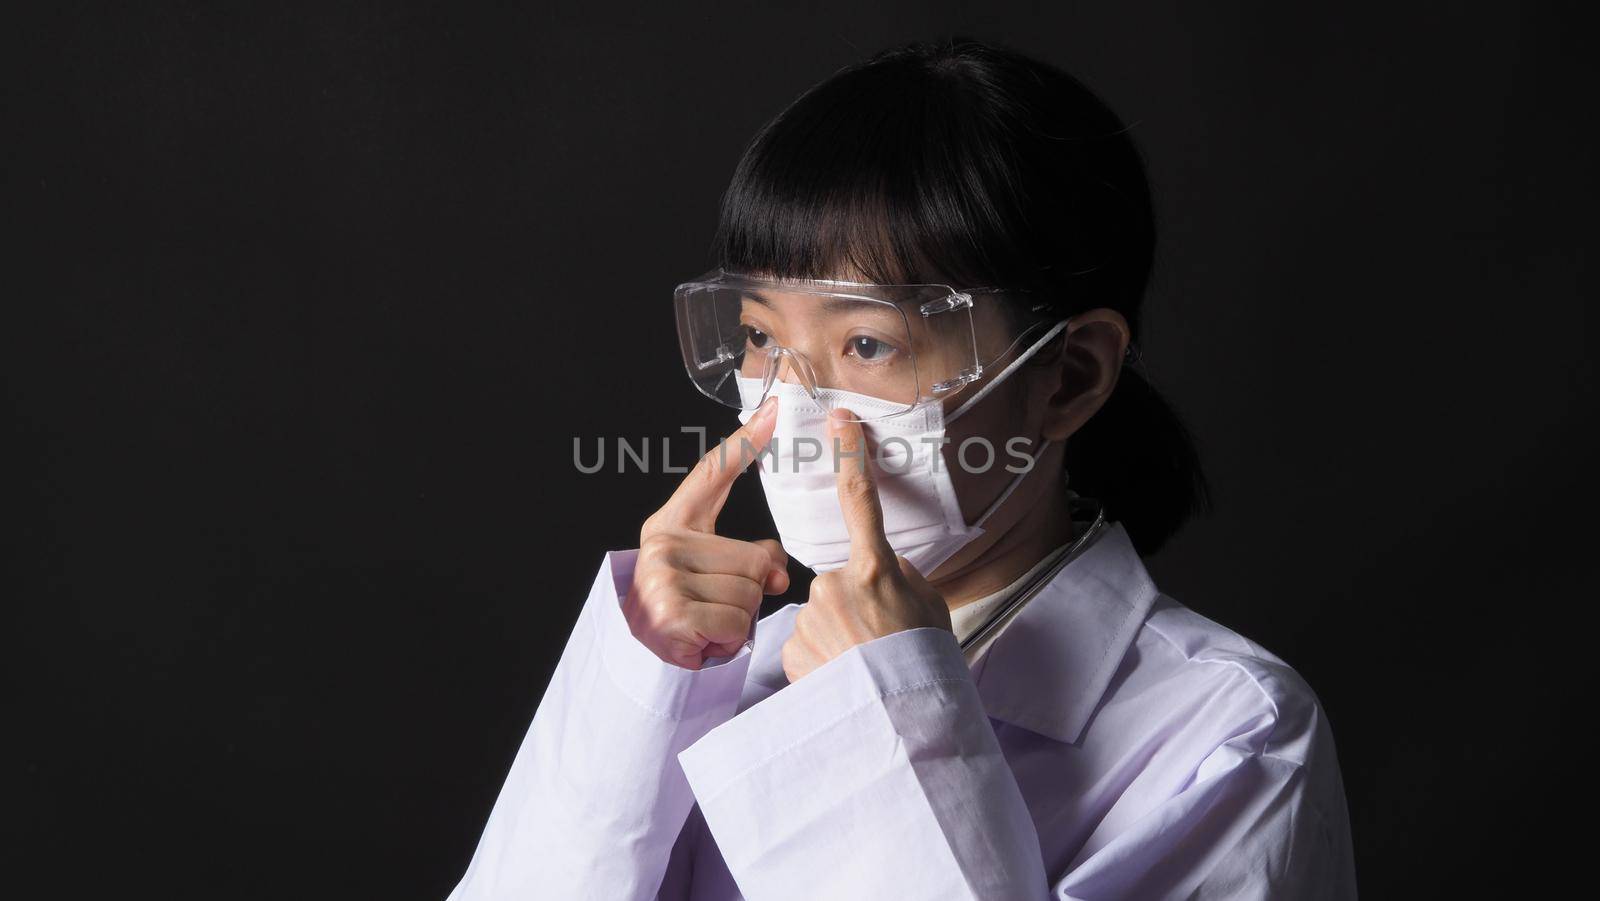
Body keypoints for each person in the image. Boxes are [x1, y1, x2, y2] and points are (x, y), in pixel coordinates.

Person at [446, 37, 1356, 900]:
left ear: (1068, 376)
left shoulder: (1229, 734)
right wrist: (631, 707)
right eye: (761, 336)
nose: (795, 407)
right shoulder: (737, 670)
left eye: (869, 342)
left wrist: (889, 720)